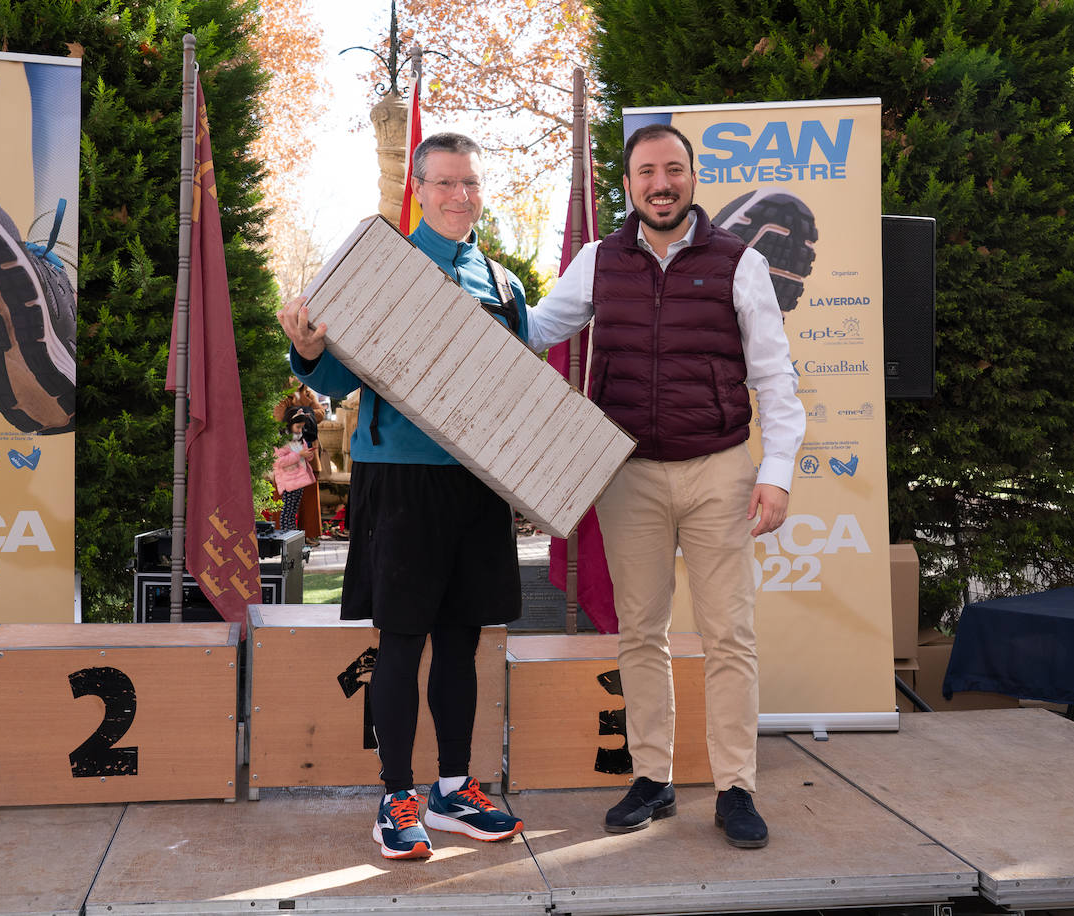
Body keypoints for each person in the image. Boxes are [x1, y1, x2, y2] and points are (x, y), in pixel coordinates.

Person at [524, 123, 805, 849]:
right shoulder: (596, 261)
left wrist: (775, 476)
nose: (661, 183)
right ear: (628, 185)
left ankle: (736, 786)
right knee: (640, 633)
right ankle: (652, 778)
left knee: (729, 636)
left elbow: (776, 378)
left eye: (673, 170)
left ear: (692, 178)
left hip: (719, 471)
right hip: (629, 478)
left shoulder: (739, 263)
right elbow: (533, 330)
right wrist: (457, 315)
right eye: (647, 171)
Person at [277, 132, 526, 861]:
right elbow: (329, 381)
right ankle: (396, 799)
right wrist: (311, 351)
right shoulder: (382, 271)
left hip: (478, 484)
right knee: (403, 640)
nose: (461, 196)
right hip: (402, 483)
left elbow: (519, 388)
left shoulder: (504, 284)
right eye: (445, 183)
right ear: (419, 189)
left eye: (471, 183)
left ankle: (453, 791)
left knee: (462, 639)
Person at [273, 408, 318, 533]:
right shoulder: (282, 441)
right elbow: (279, 462)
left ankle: (292, 537)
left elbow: (304, 456)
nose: (300, 430)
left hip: (299, 481)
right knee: (287, 512)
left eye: (302, 427)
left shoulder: (300, 439)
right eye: (298, 427)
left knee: (293, 511)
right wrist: (299, 455)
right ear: (289, 424)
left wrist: (308, 455)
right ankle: (286, 537)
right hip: (289, 482)